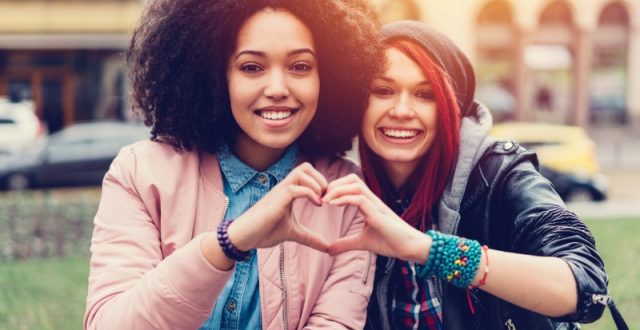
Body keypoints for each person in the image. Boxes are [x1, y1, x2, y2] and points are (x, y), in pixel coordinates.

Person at [83, 1, 383, 329]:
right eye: (252, 67)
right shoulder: (141, 174)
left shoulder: (347, 196)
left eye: (299, 66)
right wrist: (227, 244)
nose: (278, 89)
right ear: (214, 74)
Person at [323, 21, 618, 329]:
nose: (401, 109)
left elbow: (586, 285)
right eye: (383, 90)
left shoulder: (499, 172)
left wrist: (431, 250)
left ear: (450, 107)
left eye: (425, 94)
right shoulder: (345, 189)